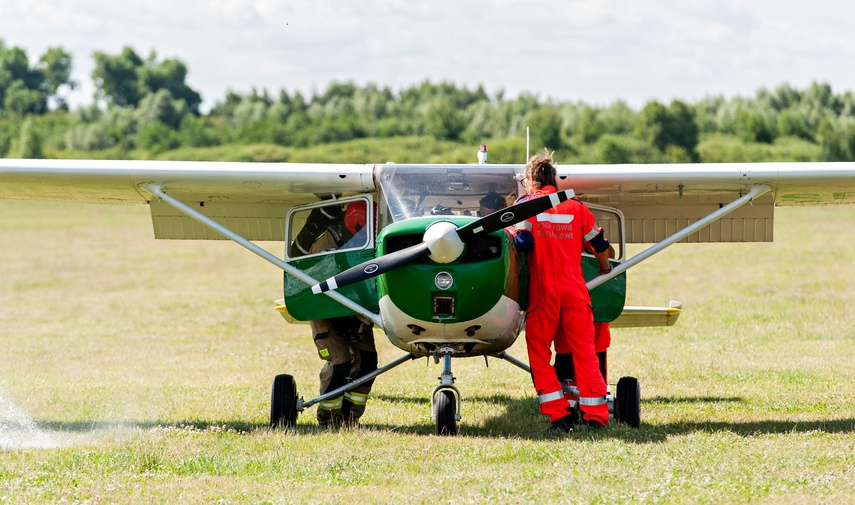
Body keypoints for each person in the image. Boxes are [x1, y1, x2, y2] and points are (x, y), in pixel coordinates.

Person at [513, 150, 613, 433]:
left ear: (531, 181)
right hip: (575, 289)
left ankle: (559, 415)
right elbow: (600, 244)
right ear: (554, 180)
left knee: (538, 353)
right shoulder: (576, 207)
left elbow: (523, 242)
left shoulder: (525, 206)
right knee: (585, 352)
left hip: (543, 291)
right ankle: (596, 416)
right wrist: (604, 268)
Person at [307, 201, 378, 428]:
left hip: (358, 312)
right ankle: (328, 419)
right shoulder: (322, 248)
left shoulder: (372, 241)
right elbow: (316, 291)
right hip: (325, 310)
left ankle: (350, 418)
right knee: (340, 364)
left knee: (368, 362)